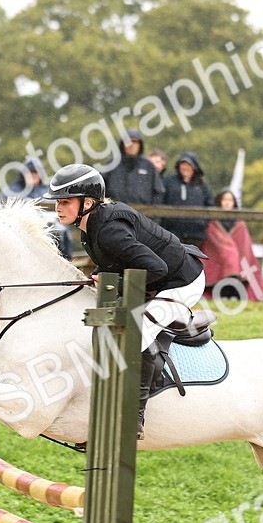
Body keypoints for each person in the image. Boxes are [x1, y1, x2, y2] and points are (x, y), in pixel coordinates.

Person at [44, 163, 206, 437]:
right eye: (58, 202)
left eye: (65, 202)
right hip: (158, 278)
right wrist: (100, 274)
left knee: (137, 332)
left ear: (87, 202)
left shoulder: (108, 230)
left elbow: (157, 269)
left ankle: (135, 414)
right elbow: (116, 260)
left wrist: (115, 282)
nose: (58, 208)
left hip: (181, 282)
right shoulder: (89, 225)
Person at [199, 190, 263, 302]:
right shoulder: (212, 223)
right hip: (217, 263)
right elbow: (210, 244)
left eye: (230, 200)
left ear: (234, 203)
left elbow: (244, 245)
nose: (227, 203)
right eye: (225, 200)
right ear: (219, 202)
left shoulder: (240, 223)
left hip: (239, 266)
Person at [1, 159, 72, 260]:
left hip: (48, 227)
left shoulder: (48, 191)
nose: (32, 175)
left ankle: (61, 260)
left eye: (35, 173)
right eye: (29, 172)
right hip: (21, 229)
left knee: (59, 229)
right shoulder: (12, 190)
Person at [161, 151, 213, 247]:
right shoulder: (169, 181)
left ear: (194, 167)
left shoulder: (202, 185)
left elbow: (210, 205)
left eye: (189, 165)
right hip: (172, 232)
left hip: (196, 233)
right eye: (183, 164)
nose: (185, 167)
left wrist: (203, 223)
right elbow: (160, 200)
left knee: (192, 260)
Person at [101, 129, 164, 206]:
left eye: (135, 142)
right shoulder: (112, 164)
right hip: (115, 212)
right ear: (122, 145)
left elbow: (159, 192)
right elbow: (101, 188)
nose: (131, 145)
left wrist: (152, 212)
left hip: (142, 213)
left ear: (140, 145)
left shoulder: (148, 166)